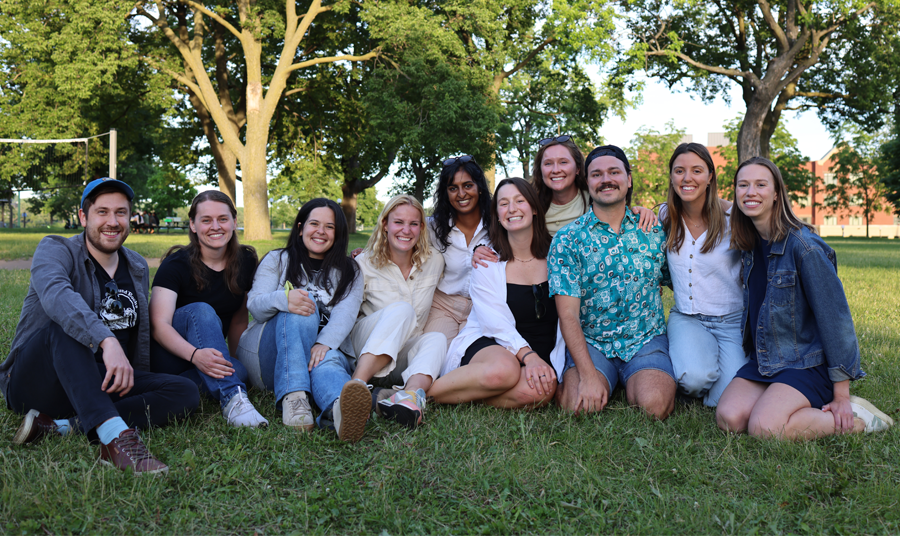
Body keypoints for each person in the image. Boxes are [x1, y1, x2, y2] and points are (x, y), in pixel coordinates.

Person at [1, 178, 199, 474]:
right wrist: (107, 341)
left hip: (100, 382)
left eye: (121, 212)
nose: (113, 221)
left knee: (185, 390)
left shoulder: (136, 265)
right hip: (41, 382)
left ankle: (64, 426)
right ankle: (114, 437)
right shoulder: (55, 249)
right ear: (84, 216)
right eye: (102, 212)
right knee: (63, 329)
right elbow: (57, 296)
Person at [715, 157, 893, 439]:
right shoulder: (748, 242)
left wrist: (842, 394)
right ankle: (791, 404)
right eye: (743, 185)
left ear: (776, 194)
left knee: (764, 427)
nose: (751, 192)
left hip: (806, 362)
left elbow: (836, 320)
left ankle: (859, 419)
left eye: (761, 185)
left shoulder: (804, 248)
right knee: (729, 417)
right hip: (766, 358)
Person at [550, 145, 677, 419]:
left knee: (654, 405)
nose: (606, 179)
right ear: (587, 182)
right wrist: (587, 375)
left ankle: (636, 379)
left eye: (614, 172)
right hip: (592, 342)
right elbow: (568, 314)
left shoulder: (653, 230)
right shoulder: (568, 239)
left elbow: (679, 281)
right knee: (576, 405)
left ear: (628, 179)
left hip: (645, 339)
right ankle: (600, 375)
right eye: (596, 174)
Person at [236, 198, 365, 438]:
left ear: (338, 233)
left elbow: (346, 313)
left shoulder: (351, 271)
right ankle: (294, 395)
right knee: (302, 307)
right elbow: (255, 306)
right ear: (300, 228)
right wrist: (285, 299)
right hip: (269, 359)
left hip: (320, 349)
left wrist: (323, 343)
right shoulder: (276, 259)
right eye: (314, 223)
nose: (321, 231)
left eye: (330, 226)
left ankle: (339, 409)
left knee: (329, 358)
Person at [430, 178, 563, 408]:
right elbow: (495, 322)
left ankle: (471, 392)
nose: (512, 209)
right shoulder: (488, 261)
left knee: (542, 390)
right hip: (492, 343)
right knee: (505, 370)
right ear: (497, 215)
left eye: (519, 200)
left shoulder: (559, 255)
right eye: (503, 203)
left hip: (539, 350)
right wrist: (528, 356)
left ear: (533, 208)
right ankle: (420, 394)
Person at [149, 190, 268, 428]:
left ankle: (179, 388)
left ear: (234, 222)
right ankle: (233, 398)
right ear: (193, 225)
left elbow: (237, 319)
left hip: (207, 359)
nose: (216, 226)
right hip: (172, 356)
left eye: (222, 219)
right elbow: (158, 326)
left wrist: (231, 361)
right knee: (201, 311)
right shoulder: (175, 265)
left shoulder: (245, 261)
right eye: (206, 220)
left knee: (239, 370)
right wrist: (195, 356)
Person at [338, 195, 446, 439]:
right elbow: (345, 313)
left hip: (401, 354)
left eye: (414, 224)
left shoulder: (435, 261)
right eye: (398, 222)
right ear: (385, 224)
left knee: (437, 338)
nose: (406, 230)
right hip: (365, 346)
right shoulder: (363, 263)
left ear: (421, 228)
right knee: (402, 310)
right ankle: (357, 388)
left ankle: (408, 398)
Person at [660, 143, 746, 407]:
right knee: (695, 379)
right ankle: (692, 373)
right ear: (672, 177)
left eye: (697, 170)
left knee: (727, 397)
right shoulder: (664, 215)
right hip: (688, 317)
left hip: (732, 321)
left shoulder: (736, 217)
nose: (687, 178)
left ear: (710, 176)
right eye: (679, 171)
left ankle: (711, 381)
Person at [422, 154, 495, 342]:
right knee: (435, 354)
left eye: (468, 186)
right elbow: (402, 238)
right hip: (442, 306)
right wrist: (366, 253)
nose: (461, 194)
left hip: (483, 308)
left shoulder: (498, 225)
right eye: (453, 188)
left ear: (479, 188)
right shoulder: (433, 227)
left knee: (472, 362)